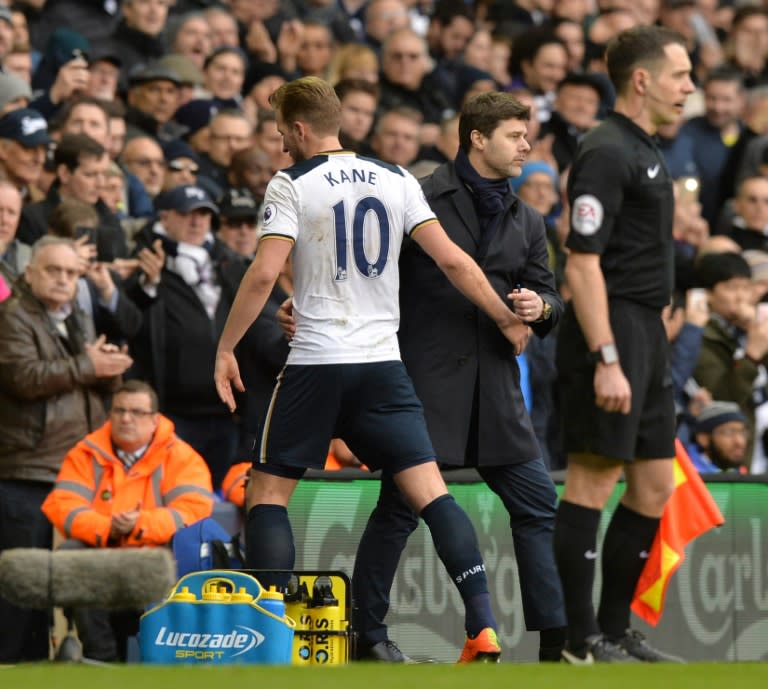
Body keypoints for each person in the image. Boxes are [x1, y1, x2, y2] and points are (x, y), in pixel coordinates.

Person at [213, 76, 531, 664]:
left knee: (267, 492)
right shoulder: (397, 178)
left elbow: (262, 274)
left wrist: (227, 347)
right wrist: (505, 319)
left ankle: (270, 638)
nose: (281, 141)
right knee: (432, 495)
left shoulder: (291, 182)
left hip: (315, 361)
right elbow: (456, 262)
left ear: (301, 128)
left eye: (283, 130)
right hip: (384, 364)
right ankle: (483, 626)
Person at [344, 91, 567, 663]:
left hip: (495, 393)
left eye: (528, 135)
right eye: (516, 136)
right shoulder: (416, 196)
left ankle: (554, 642)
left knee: (538, 503)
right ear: (477, 138)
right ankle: (367, 634)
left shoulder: (529, 218)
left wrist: (539, 310)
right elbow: (372, 273)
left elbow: (551, 296)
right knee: (397, 511)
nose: (527, 146)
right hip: (424, 384)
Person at [554, 25, 695, 664]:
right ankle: (578, 640)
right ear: (643, 80)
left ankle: (613, 630)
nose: (689, 86)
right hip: (610, 329)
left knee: (654, 485)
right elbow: (581, 262)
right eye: (680, 75)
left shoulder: (647, 149)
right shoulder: (607, 150)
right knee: (592, 478)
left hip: (646, 331)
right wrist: (607, 356)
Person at [0, 236, 132, 661]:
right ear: (29, 272)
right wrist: (87, 366)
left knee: (68, 581)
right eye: (54, 270)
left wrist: (108, 372)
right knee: (24, 587)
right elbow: (23, 377)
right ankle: (16, 669)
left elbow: (83, 382)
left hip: (74, 470)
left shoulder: (76, 316)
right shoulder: (11, 316)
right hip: (27, 471)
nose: (63, 280)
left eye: (72, 273)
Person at [41, 379, 214, 661]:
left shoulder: (181, 457)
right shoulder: (85, 453)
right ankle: (100, 660)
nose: (125, 418)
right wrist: (108, 528)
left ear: (155, 419)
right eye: (119, 410)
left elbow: (194, 511)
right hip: (102, 552)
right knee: (71, 555)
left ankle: (160, 658)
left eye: (136, 412)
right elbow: (63, 507)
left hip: (157, 556)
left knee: (179, 557)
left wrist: (139, 525)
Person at [687, 401, 750, 474]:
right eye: (728, 433)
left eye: (743, 433)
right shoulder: (685, 475)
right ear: (703, 439)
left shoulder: (741, 472)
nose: (740, 442)